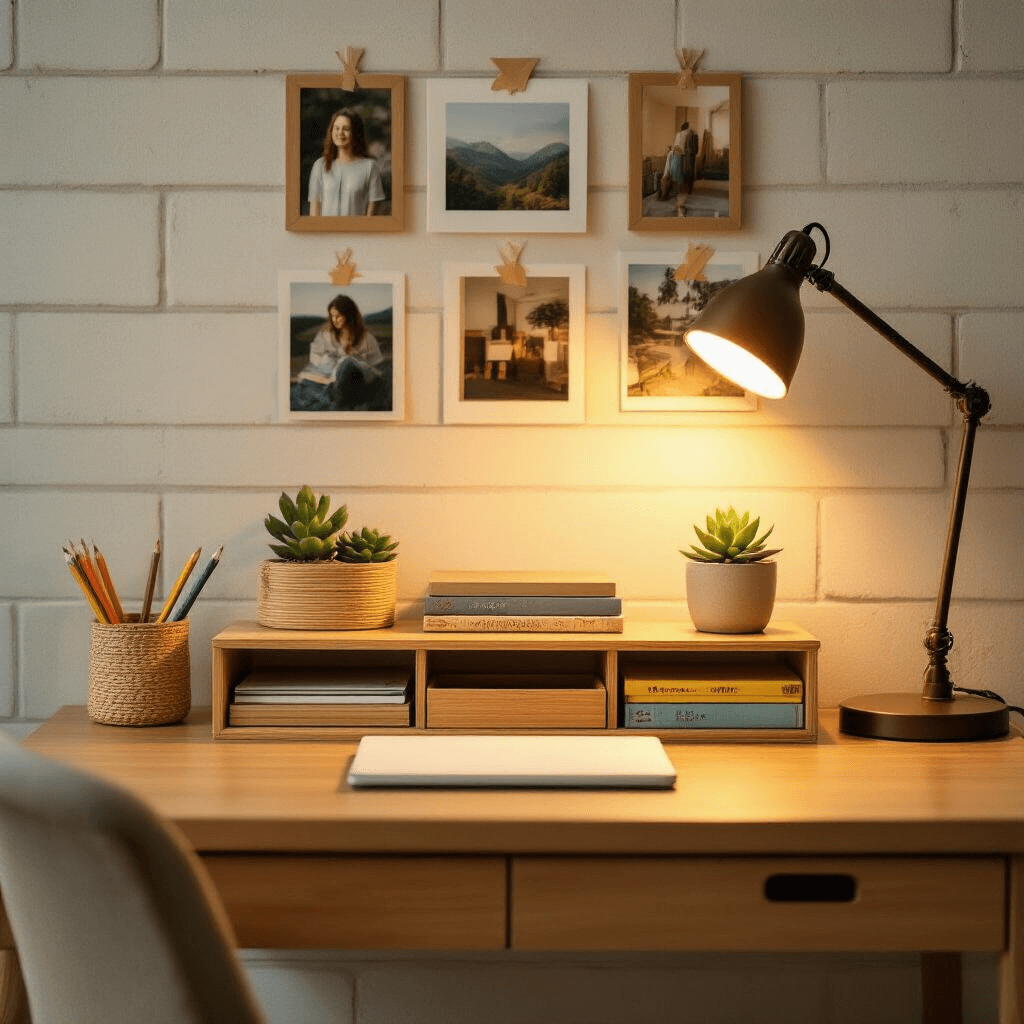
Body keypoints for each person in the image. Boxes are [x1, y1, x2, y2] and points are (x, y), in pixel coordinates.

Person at [291, 294, 387, 411]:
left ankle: (336, 397)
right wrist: (329, 362)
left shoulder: (367, 338)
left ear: (349, 315)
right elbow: (315, 360)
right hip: (326, 378)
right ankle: (332, 396)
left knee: (347, 365)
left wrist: (351, 362)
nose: (334, 320)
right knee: (306, 386)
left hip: (352, 380)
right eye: (332, 316)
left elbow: (375, 365)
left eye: (339, 316)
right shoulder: (325, 336)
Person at [307, 108, 385, 217]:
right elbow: (314, 210)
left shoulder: (370, 167)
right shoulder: (319, 165)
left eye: (346, 129)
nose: (340, 133)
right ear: (331, 131)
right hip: (325, 233)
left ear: (356, 132)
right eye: (336, 128)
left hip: (357, 232)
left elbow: (371, 215)